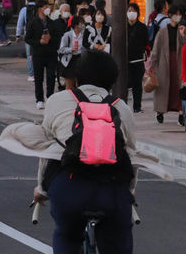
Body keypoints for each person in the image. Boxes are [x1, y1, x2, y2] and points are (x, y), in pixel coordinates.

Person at [33, 50, 136, 253]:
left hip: (68, 187)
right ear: (111, 80)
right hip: (112, 190)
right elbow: (131, 156)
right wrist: (130, 192)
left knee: (67, 236)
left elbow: (47, 152)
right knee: (118, 240)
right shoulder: (122, 107)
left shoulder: (57, 101)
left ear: (77, 77)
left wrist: (41, 188)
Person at [147, 4, 186, 124]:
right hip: (164, 62)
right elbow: (156, 49)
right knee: (163, 87)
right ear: (170, 15)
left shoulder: (183, 29)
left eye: (179, 14)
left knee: (179, 87)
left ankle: (181, 113)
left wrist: (183, 36)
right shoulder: (162, 31)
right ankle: (160, 112)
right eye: (175, 14)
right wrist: (152, 65)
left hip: (179, 62)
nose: (177, 17)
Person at [26, 0, 61, 109]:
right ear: (39, 9)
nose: (48, 9)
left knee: (51, 76)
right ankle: (39, 99)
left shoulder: (52, 23)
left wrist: (50, 38)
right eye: (45, 7)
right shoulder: (32, 22)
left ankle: (50, 97)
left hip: (51, 53)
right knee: (38, 77)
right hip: (38, 53)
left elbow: (58, 38)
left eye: (48, 7)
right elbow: (28, 38)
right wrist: (38, 42)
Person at [127, 2, 148, 113]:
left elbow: (145, 41)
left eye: (133, 10)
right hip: (125, 59)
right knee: (125, 84)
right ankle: (124, 105)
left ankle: (137, 106)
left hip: (138, 59)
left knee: (137, 84)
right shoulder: (123, 26)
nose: (131, 13)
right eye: (129, 10)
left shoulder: (142, 27)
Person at [16, 0, 38, 83]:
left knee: (29, 55)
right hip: (38, 34)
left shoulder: (24, 9)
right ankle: (37, 72)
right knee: (37, 54)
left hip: (28, 34)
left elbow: (20, 23)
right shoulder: (38, 9)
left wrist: (18, 35)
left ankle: (31, 74)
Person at [58, 16, 83, 91]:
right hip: (70, 60)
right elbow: (61, 49)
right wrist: (70, 49)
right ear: (75, 24)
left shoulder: (84, 34)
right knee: (69, 85)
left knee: (80, 84)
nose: (82, 25)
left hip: (81, 58)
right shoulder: (67, 35)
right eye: (81, 23)